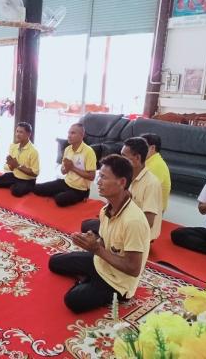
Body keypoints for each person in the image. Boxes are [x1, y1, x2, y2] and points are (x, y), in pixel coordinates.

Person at [49, 155, 150, 313]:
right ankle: (88, 278)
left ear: (122, 182)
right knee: (54, 262)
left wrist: (96, 249)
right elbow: (103, 243)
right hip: (102, 262)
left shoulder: (134, 221)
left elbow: (133, 268)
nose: (98, 182)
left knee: (73, 301)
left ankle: (89, 281)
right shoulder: (105, 210)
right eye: (99, 176)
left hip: (118, 281)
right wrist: (90, 241)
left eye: (103, 177)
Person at [81, 137, 162, 242]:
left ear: (137, 158)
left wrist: (117, 226)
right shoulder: (127, 175)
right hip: (122, 221)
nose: (120, 159)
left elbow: (149, 222)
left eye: (124, 156)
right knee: (86, 225)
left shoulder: (151, 183)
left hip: (137, 232)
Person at [34, 123, 96, 207]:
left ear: (82, 135)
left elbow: (91, 176)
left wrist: (72, 167)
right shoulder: (68, 149)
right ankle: (59, 193)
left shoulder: (89, 152)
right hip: (66, 183)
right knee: (37, 189)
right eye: (69, 133)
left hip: (80, 190)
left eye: (73, 133)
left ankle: (81, 197)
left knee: (60, 200)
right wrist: (66, 168)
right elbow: (63, 172)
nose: (69, 136)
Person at [0, 122, 39, 197]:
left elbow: (35, 173)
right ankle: (13, 184)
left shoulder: (33, 151)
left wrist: (17, 165)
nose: (18, 134)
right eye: (17, 131)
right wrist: (10, 163)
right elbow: (11, 168)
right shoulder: (13, 147)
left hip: (27, 180)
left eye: (21, 132)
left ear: (28, 134)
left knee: (16, 192)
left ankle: (21, 186)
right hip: (15, 176)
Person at [141, 133, 171, 211]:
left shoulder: (157, 165)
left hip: (153, 210)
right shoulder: (149, 161)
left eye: (141, 146)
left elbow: (143, 191)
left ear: (152, 148)